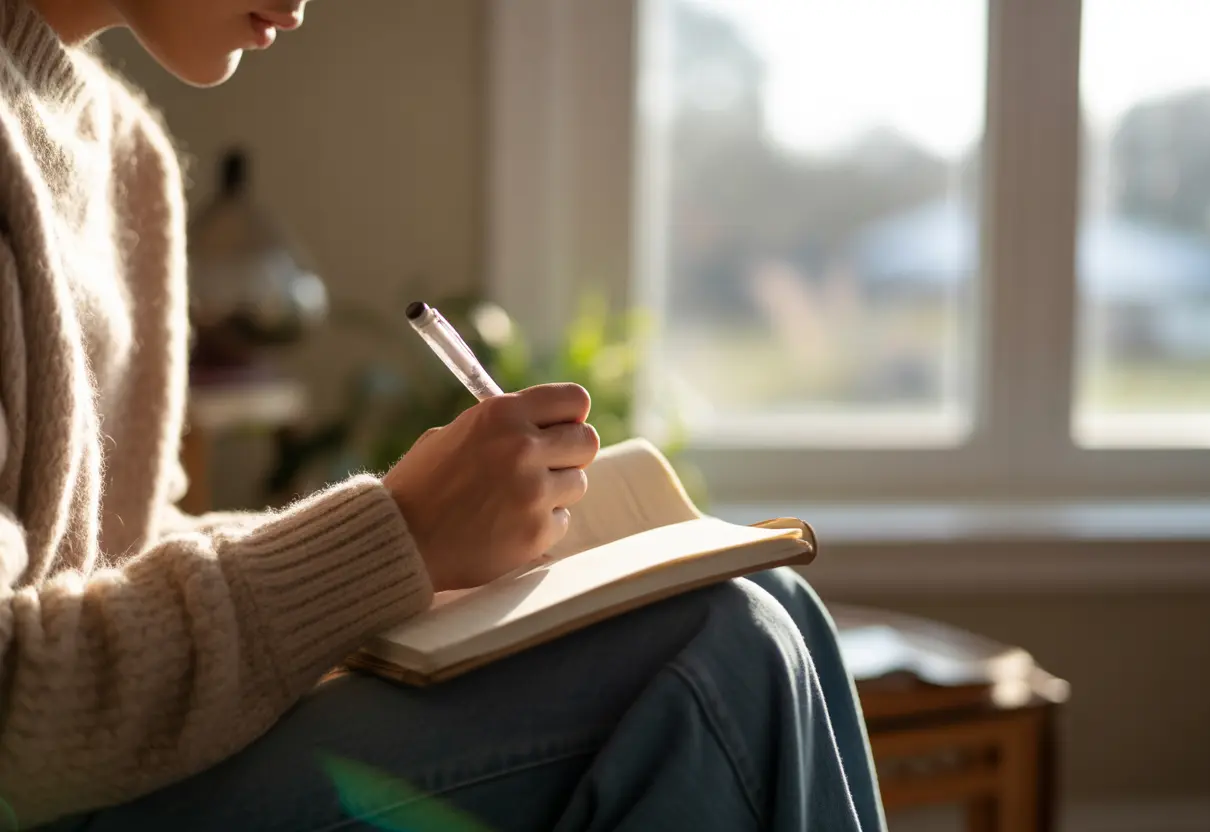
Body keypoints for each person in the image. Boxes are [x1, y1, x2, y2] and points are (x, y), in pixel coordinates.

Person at [0, 0, 885, 829]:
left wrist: (426, 549)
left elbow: (122, 548)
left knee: (775, 600)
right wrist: (397, 537)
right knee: (724, 652)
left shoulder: (127, 157)